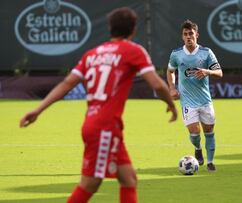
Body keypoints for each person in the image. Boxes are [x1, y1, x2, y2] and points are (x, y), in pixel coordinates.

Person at [19, 7, 177, 203]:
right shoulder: (134, 51)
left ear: (110, 28)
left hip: (95, 124)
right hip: (105, 127)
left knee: (129, 178)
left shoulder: (92, 54)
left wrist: (37, 109)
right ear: (133, 30)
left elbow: (66, 84)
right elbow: (156, 84)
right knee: (90, 183)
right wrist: (171, 103)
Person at [166, 20, 223, 172]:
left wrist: (207, 71)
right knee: (194, 132)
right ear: (182, 37)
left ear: (197, 35)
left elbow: (219, 72)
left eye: (191, 33)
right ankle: (197, 148)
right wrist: (171, 87)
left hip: (205, 100)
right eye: (185, 34)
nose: (188, 37)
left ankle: (210, 162)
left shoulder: (206, 53)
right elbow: (170, 71)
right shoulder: (176, 54)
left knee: (209, 131)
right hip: (187, 101)